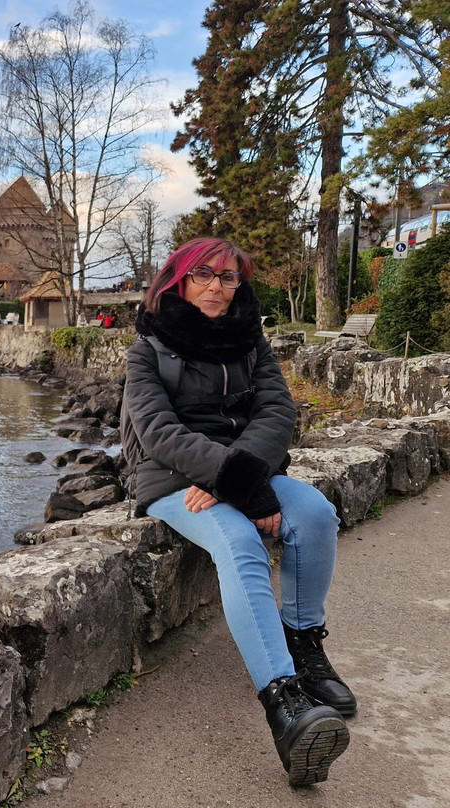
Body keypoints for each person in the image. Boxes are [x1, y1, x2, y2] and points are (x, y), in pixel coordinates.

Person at [119, 237, 355, 787]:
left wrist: (241, 480)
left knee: (316, 514)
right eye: (203, 275)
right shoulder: (148, 348)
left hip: (245, 472)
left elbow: (277, 411)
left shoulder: (252, 342)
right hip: (175, 478)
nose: (216, 288)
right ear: (178, 280)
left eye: (228, 278)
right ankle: (286, 705)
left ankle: (304, 645)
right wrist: (235, 484)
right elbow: (157, 433)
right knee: (240, 543)